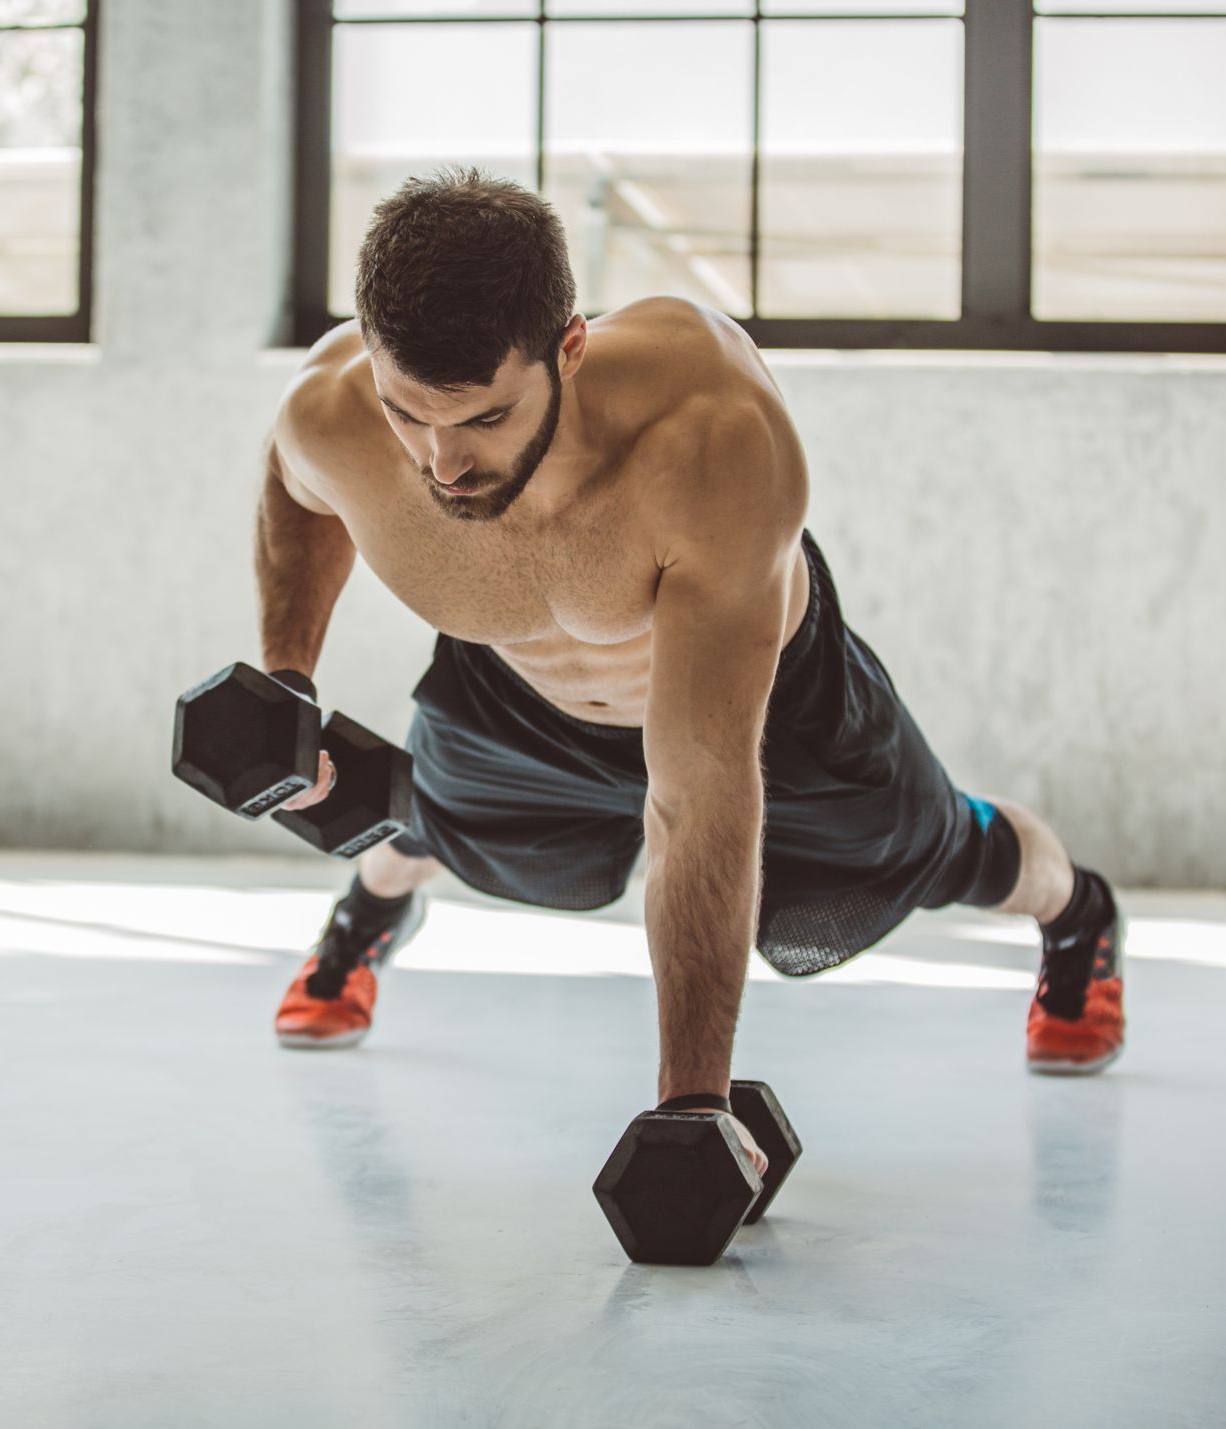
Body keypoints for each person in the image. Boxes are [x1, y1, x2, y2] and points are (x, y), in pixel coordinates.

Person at [254, 168, 1124, 1172]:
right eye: (410, 416)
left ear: (567, 347)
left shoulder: (710, 438)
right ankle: (367, 916)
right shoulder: (331, 413)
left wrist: (690, 1107)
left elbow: (698, 792)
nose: (441, 464)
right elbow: (295, 493)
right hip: (511, 686)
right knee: (420, 815)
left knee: (952, 858)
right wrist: (286, 677)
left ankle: (1079, 919)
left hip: (768, 710)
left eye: (486, 420)